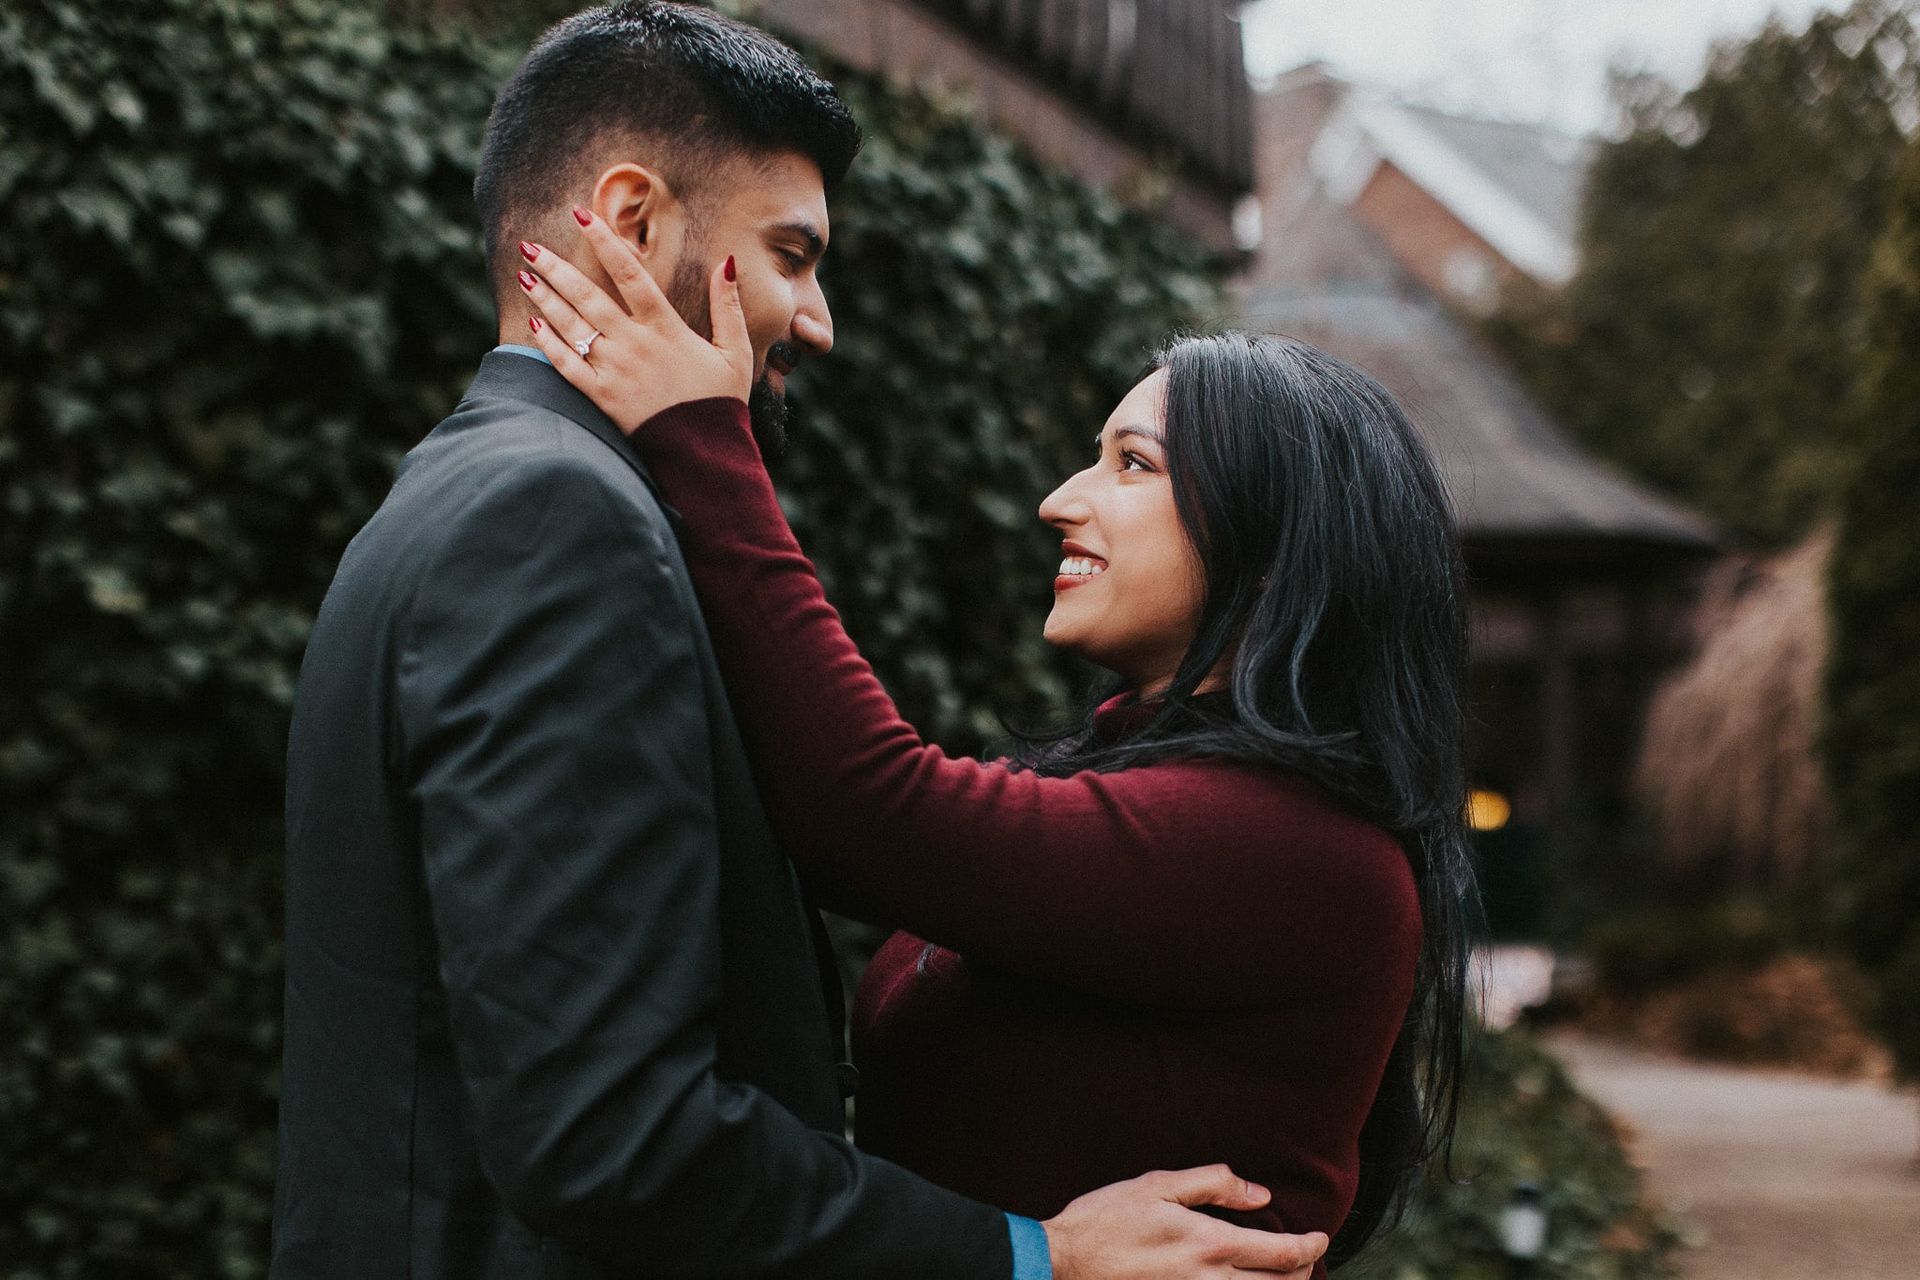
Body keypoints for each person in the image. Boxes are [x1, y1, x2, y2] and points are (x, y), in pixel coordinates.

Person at [273, 3, 1330, 1278]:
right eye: (793, 254)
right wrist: (1024, 1254)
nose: (819, 318)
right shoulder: (556, 521)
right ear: (631, 219)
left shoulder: (462, 489)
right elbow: (611, 1137)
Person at [513, 212, 1481, 1277]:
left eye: (1130, 463)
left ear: (1269, 551)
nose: (1058, 500)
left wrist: (700, 436)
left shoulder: (1300, 850)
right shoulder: (1139, 781)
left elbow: (869, 810)